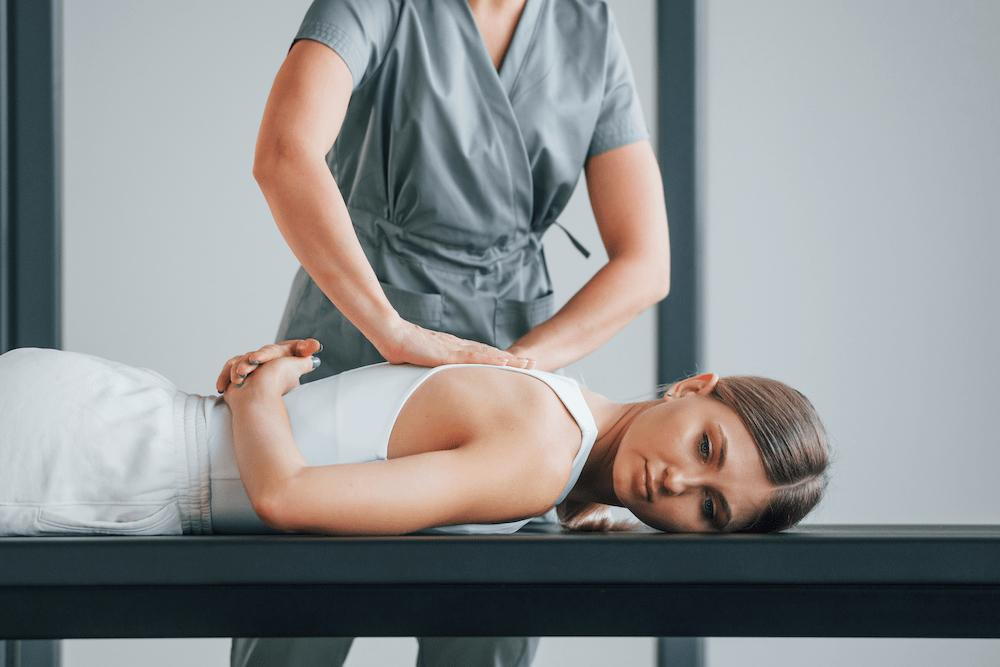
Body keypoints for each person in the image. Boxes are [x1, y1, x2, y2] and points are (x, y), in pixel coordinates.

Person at [251, 0, 670, 660]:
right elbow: (284, 152)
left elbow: (647, 262)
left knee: (484, 632)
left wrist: (523, 370)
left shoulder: (586, 26)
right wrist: (390, 329)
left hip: (505, 359)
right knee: (300, 621)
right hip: (357, 325)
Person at [0, 341, 830, 540]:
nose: (676, 484)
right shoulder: (542, 454)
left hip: (101, 420)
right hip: (96, 464)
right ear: (694, 387)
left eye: (712, 508)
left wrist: (577, 505)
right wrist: (259, 390)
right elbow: (286, 497)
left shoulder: (553, 405)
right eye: (707, 447)